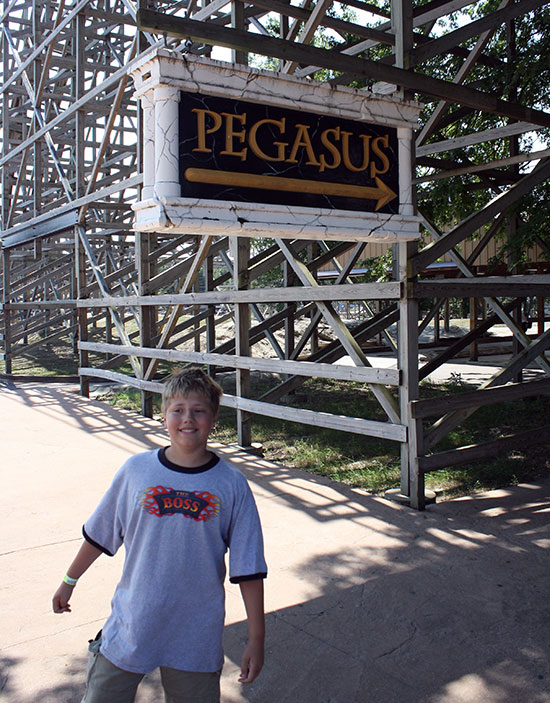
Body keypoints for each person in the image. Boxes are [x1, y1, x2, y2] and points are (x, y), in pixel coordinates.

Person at [52, 367, 267, 703]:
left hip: (195, 634)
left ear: (213, 418)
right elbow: (101, 533)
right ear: (164, 415)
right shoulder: (136, 471)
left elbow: (248, 568)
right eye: (177, 410)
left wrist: (257, 637)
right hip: (132, 623)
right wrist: (69, 579)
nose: (187, 420)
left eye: (198, 411)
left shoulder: (231, 484)